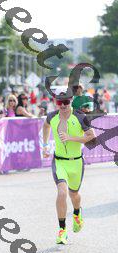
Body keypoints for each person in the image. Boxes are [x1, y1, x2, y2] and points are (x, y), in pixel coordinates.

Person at [42, 96, 96, 244]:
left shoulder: (80, 116)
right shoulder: (52, 116)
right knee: (62, 192)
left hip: (76, 162)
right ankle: (62, 231)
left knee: (74, 195)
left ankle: (77, 213)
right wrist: (45, 145)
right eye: (60, 102)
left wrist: (70, 138)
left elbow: (92, 136)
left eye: (66, 102)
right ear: (56, 103)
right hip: (59, 161)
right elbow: (46, 126)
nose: (63, 105)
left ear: (70, 102)